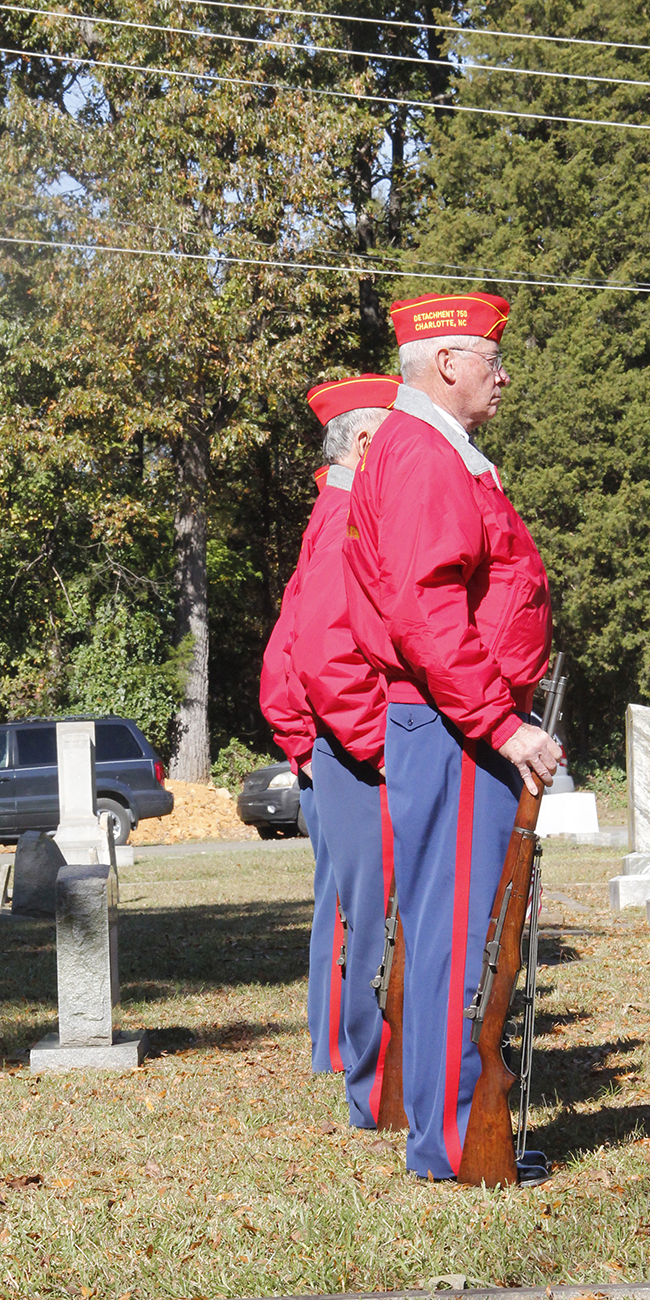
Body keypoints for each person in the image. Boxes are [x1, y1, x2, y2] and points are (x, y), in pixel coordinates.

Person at [342, 293, 559, 1180]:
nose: (501, 376)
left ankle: (442, 1130)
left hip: (444, 717)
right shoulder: (427, 455)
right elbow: (430, 612)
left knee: (444, 931)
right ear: (443, 365)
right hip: (456, 724)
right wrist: (502, 725)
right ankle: (457, 1141)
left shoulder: (423, 450)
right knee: (459, 936)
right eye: (488, 358)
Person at [290, 374, 399, 1127]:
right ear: (366, 442)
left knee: (366, 913)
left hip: (350, 746)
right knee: (373, 916)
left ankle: (374, 1074)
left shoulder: (340, 514)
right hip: (361, 751)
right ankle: (374, 1085)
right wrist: (381, 752)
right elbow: (322, 657)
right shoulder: (342, 520)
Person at [259, 467, 340, 1075]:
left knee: (341, 905)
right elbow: (300, 658)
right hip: (336, 758)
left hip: (327, 752)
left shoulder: (329, 524)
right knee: (346, 908)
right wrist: (309, 751)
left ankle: (335, 1043)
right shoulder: (341, 523)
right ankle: (338, 1046)